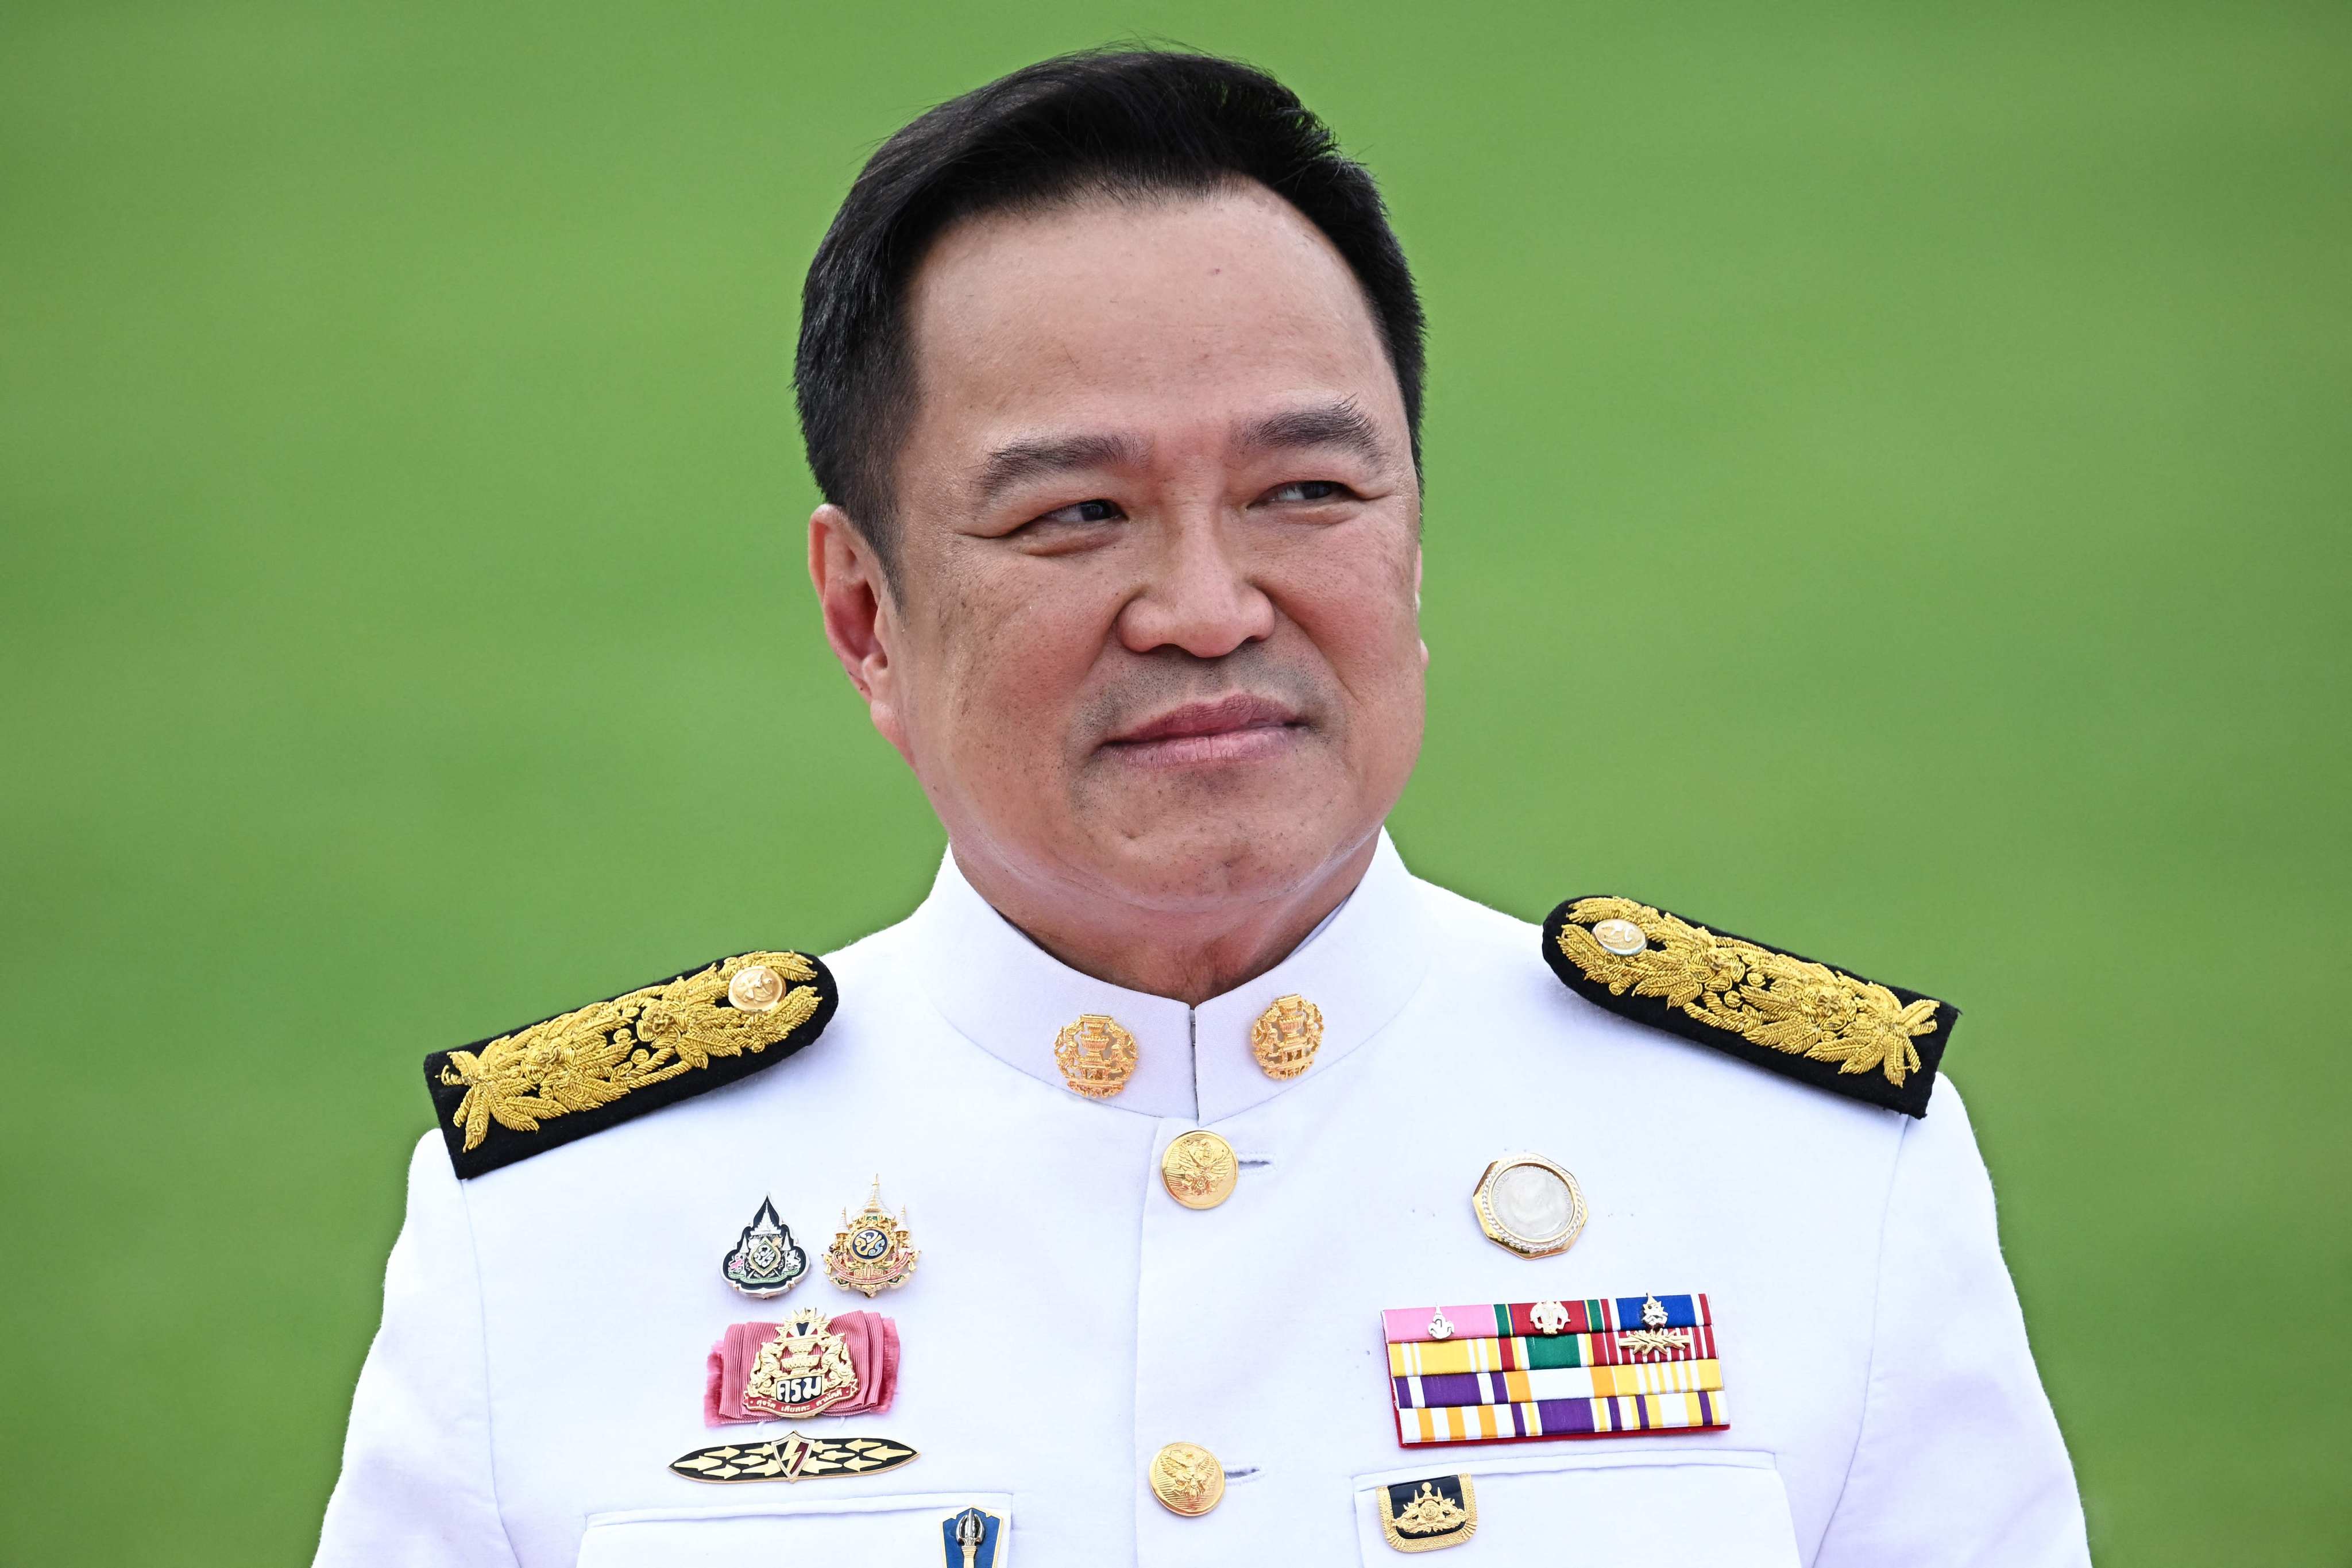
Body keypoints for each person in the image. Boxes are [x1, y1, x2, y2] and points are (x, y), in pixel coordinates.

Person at [314, 48, 2088, 1567]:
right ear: (864, 614)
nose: (1207, 605)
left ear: (1412, 534)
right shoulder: (557, 1229)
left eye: (1305, 488)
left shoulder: (1812, 1173)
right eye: (1076, 516)